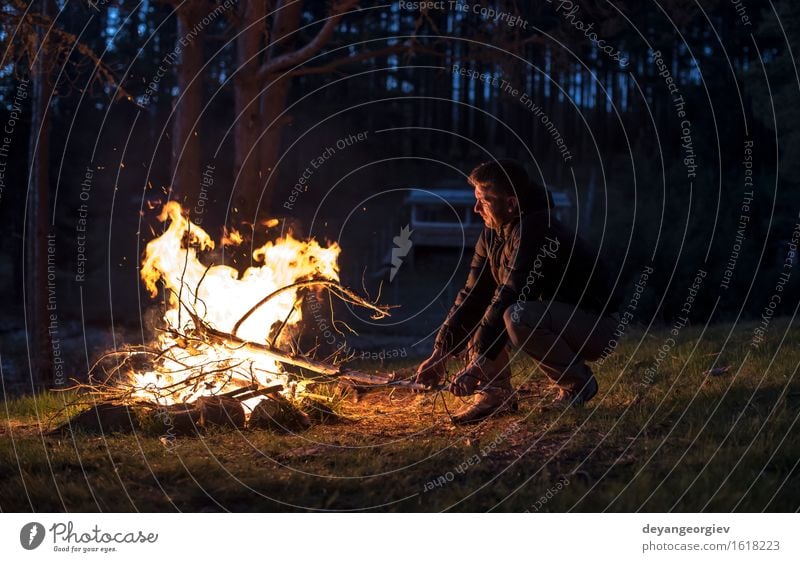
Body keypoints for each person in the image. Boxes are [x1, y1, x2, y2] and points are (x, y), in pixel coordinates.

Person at [415, 159, 618, 424]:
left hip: (595, 327)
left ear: (510, 204)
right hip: (556, 320)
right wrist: (439, 354)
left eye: (484, 201)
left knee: (516, 314)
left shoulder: (537, 231)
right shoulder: (492, 235)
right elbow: (472, 296)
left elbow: (512, 294)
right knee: (489, 311)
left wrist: (475, 367)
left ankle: (577, 385)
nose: (476, 209)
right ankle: (496, 396)